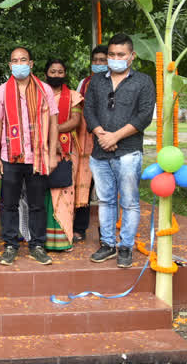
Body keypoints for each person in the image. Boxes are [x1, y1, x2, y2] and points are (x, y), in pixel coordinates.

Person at [83, 33, 155, 268]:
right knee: (105, 201)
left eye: (120, 55)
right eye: (111, 55)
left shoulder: (143, 81)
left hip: (128, 152)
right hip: (100, 152)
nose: (115, 59)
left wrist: (116, 136)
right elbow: (89, 111)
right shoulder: (97, 81)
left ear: (131, 56)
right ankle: (107, 244)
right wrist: (102, 134)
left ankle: (125, 247)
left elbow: (144, 116)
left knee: (130, 202)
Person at [0, 47, 59, 266]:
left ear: (31, 64)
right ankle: (10, 245)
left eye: (23, 60)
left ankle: (37, 245)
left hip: (37, 157)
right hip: (10, 156)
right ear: (10, 66)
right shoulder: (1, 91)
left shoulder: (44, 89)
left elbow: (54, 123)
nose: (19, 63)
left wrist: (53, 153)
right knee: (8, 203)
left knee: (37, 204)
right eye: (14, 60)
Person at [43, 59, 83, 252]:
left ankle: (63, 239)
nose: (56, 75)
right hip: (42, 149)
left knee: (65, 192)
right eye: (53, 71)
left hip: (67, 151)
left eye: (60, 71)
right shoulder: (39, 94)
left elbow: (75, 120)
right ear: (45, 74)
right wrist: (49, 138)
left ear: (65, 73)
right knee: (42, 192)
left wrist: (54, 130)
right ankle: (42, 239)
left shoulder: (74, 96)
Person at [74, 45, 107, 242]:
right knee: (83, 186)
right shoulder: (83, 83)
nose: (99, 64)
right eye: (96, 60)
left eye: (103, 60)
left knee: (105, 191)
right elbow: (78, 109)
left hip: (108, 141)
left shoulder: (115, 82)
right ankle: (80, 228)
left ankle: (106, 233)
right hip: (86, 143)